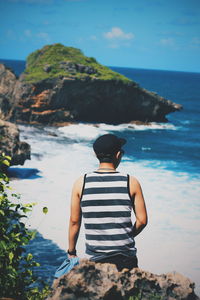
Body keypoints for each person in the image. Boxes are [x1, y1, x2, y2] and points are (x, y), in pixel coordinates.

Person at [67, 133, 148, 271]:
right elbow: (142, 221)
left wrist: (71, 251)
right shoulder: (131, 182)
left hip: (95, 260)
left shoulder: (81, 183)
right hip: (126, 259)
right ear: (117, 155)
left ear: (96, 154)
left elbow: (74, 222)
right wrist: (126, 236)